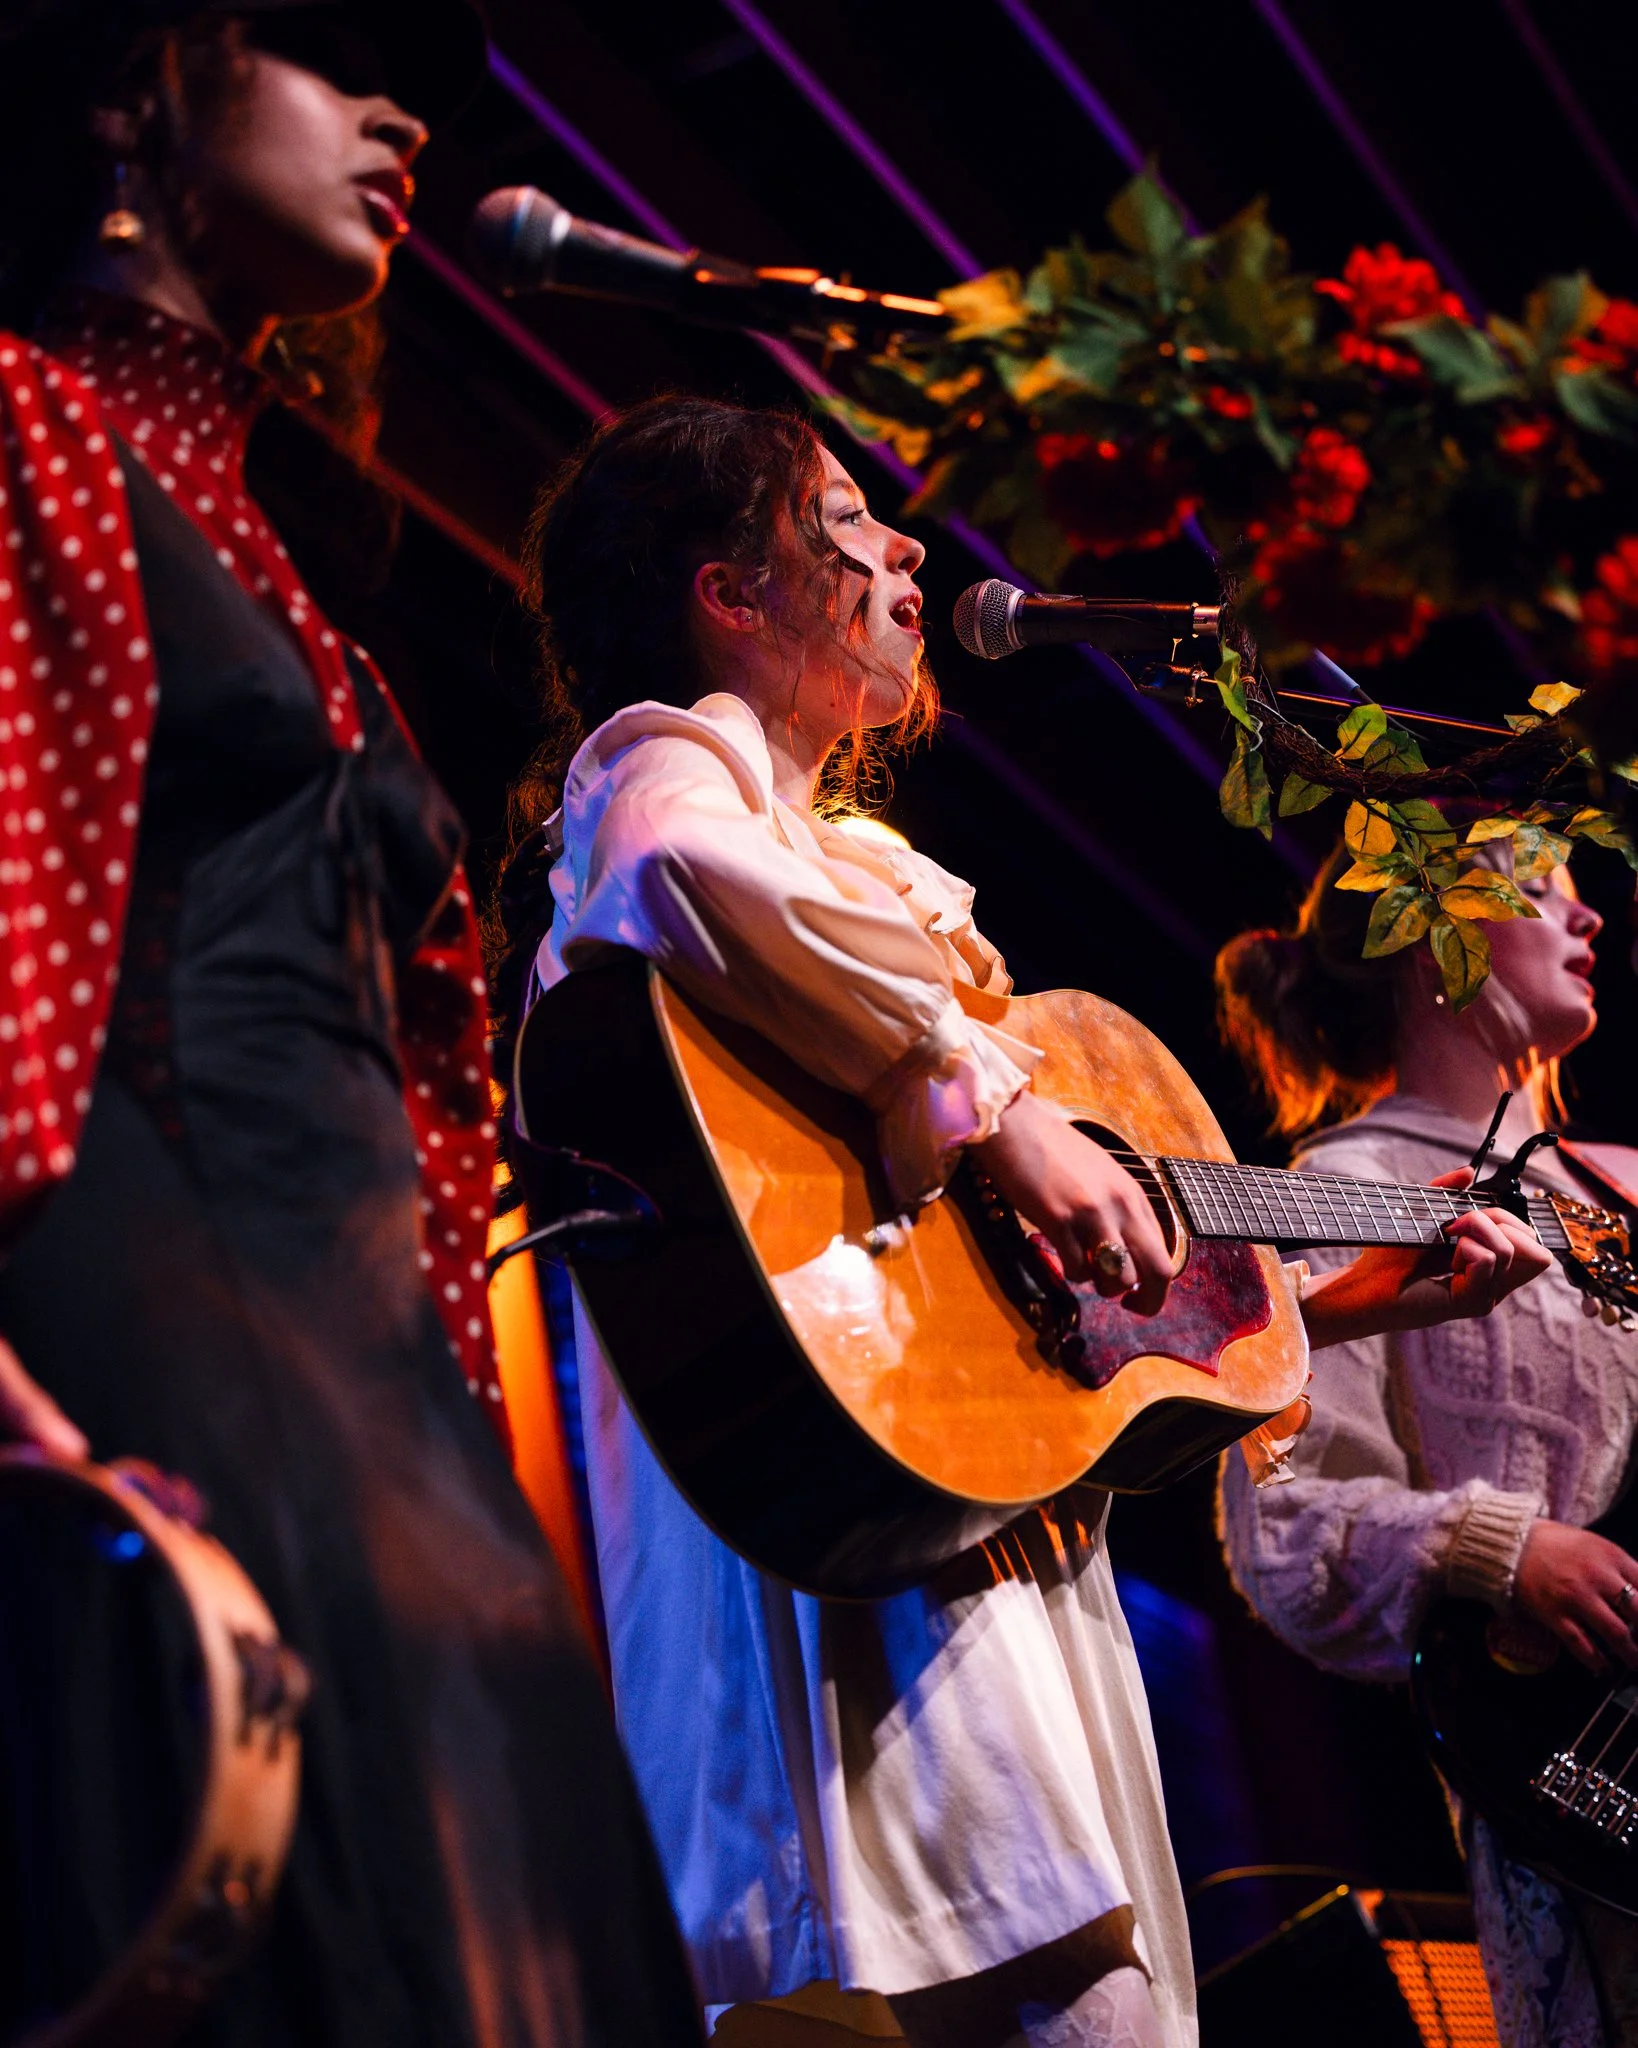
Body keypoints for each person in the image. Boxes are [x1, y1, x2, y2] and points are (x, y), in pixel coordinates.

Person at [488, 394, 1551, 2048]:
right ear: (731, 593)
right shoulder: (665, 774)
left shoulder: (852, 867)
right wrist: (996, 1102)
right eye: (843, 516)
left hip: (963, 1535)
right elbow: (684, 873)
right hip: (865, 1590)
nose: (905, 543)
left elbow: (1035, 1332)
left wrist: (1336, 1301)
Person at [0, 7, 701, 2043]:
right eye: (320, 47)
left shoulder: (261, 543)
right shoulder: (26, 420)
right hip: (151, 1307)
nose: (400, 117)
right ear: (143, 92)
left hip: (388, 1371)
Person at [1216, 844, 1638, 2047]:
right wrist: (1507, 1547)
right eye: (1534, 884)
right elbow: (1285, 1530)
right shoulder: (1344, 1186)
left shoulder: (1625, 1185)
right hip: (1587, 1788)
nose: (1586, 907)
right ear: (1426, 940)